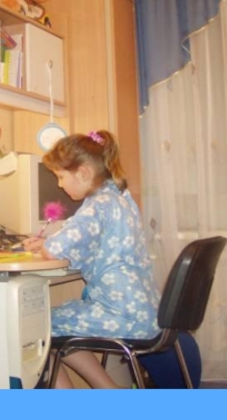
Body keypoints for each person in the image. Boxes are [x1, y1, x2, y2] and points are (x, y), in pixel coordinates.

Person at [22, 130, 160, 388]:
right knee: (62, 324)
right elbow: (91, 249)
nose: (59, 185)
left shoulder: (98, 205)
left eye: (61, 177)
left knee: (36, 326)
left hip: (121, 316)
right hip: (144, 313)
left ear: (83, 173)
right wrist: (47, 244)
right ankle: (109, 390)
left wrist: (44, 247)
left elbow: (56, 249)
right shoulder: (120, 198)